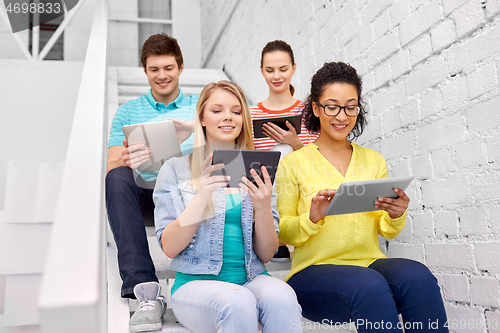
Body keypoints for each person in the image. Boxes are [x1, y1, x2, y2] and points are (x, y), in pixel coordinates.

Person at [275, 62, 448, 332]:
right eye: (332, 106)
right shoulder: (293, 163)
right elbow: (284, 233)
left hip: (368, 263)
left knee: (418, 277)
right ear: (316, 108)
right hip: (312, 273)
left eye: (350, 106)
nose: (342, 116)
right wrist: (311, 217)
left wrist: (396, 213)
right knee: (369, 285)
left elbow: (386, 230)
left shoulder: (373, 160)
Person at [154, 81, 302, 333]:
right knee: (238, 301)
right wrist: (201, 197)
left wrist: (263, 206)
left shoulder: (260, 169)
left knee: (283, 297)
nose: (228, 117)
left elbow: (266, 254)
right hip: (194, 285)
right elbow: (169, 247)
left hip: (251, 278)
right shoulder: (175, 169)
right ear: (201, 118)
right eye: (217, 110)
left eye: (236, 111)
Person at [105, 33, 198, 333]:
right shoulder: (127, 112)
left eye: (168, 67)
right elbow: (111, 163)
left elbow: (233, 135)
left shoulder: (201, 106)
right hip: (147, 197)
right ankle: (145, 289)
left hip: (188, 194)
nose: (161, 76)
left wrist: (194, 130)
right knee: (116, 176)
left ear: (180, 67)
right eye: (154, 69)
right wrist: (128, 159)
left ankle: (200, 284)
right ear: (145, 71)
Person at [251, 40, 318, 261]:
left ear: (294, 68)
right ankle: (273, 236)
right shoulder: (250, 114)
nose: (277, 76)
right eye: (270, 70)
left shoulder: (309, 111)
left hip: (301, 186)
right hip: (265, 188)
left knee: (283, 152)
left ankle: (280, 236)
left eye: (283, 69)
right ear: (262, 71)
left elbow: (321, 161)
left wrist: (295, 143)